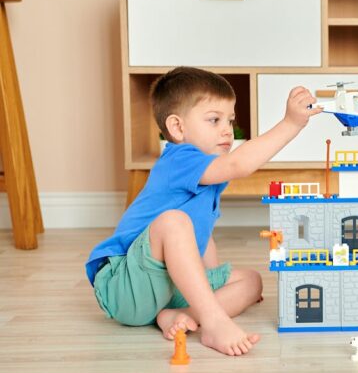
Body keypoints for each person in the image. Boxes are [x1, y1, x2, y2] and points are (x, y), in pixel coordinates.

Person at [85, 67, 323, 355]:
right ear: (177, 128)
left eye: (230, 120)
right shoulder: (180, 159)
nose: (227, 130)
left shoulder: (205, 175)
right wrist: (291, 124)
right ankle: (213, 321)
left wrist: (212, 280)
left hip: (168, 289)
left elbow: (202, 236)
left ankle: (182, 315)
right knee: (174, 222)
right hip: (126, 286)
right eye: (214, 120)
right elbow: (238, 164)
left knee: (252, 281)